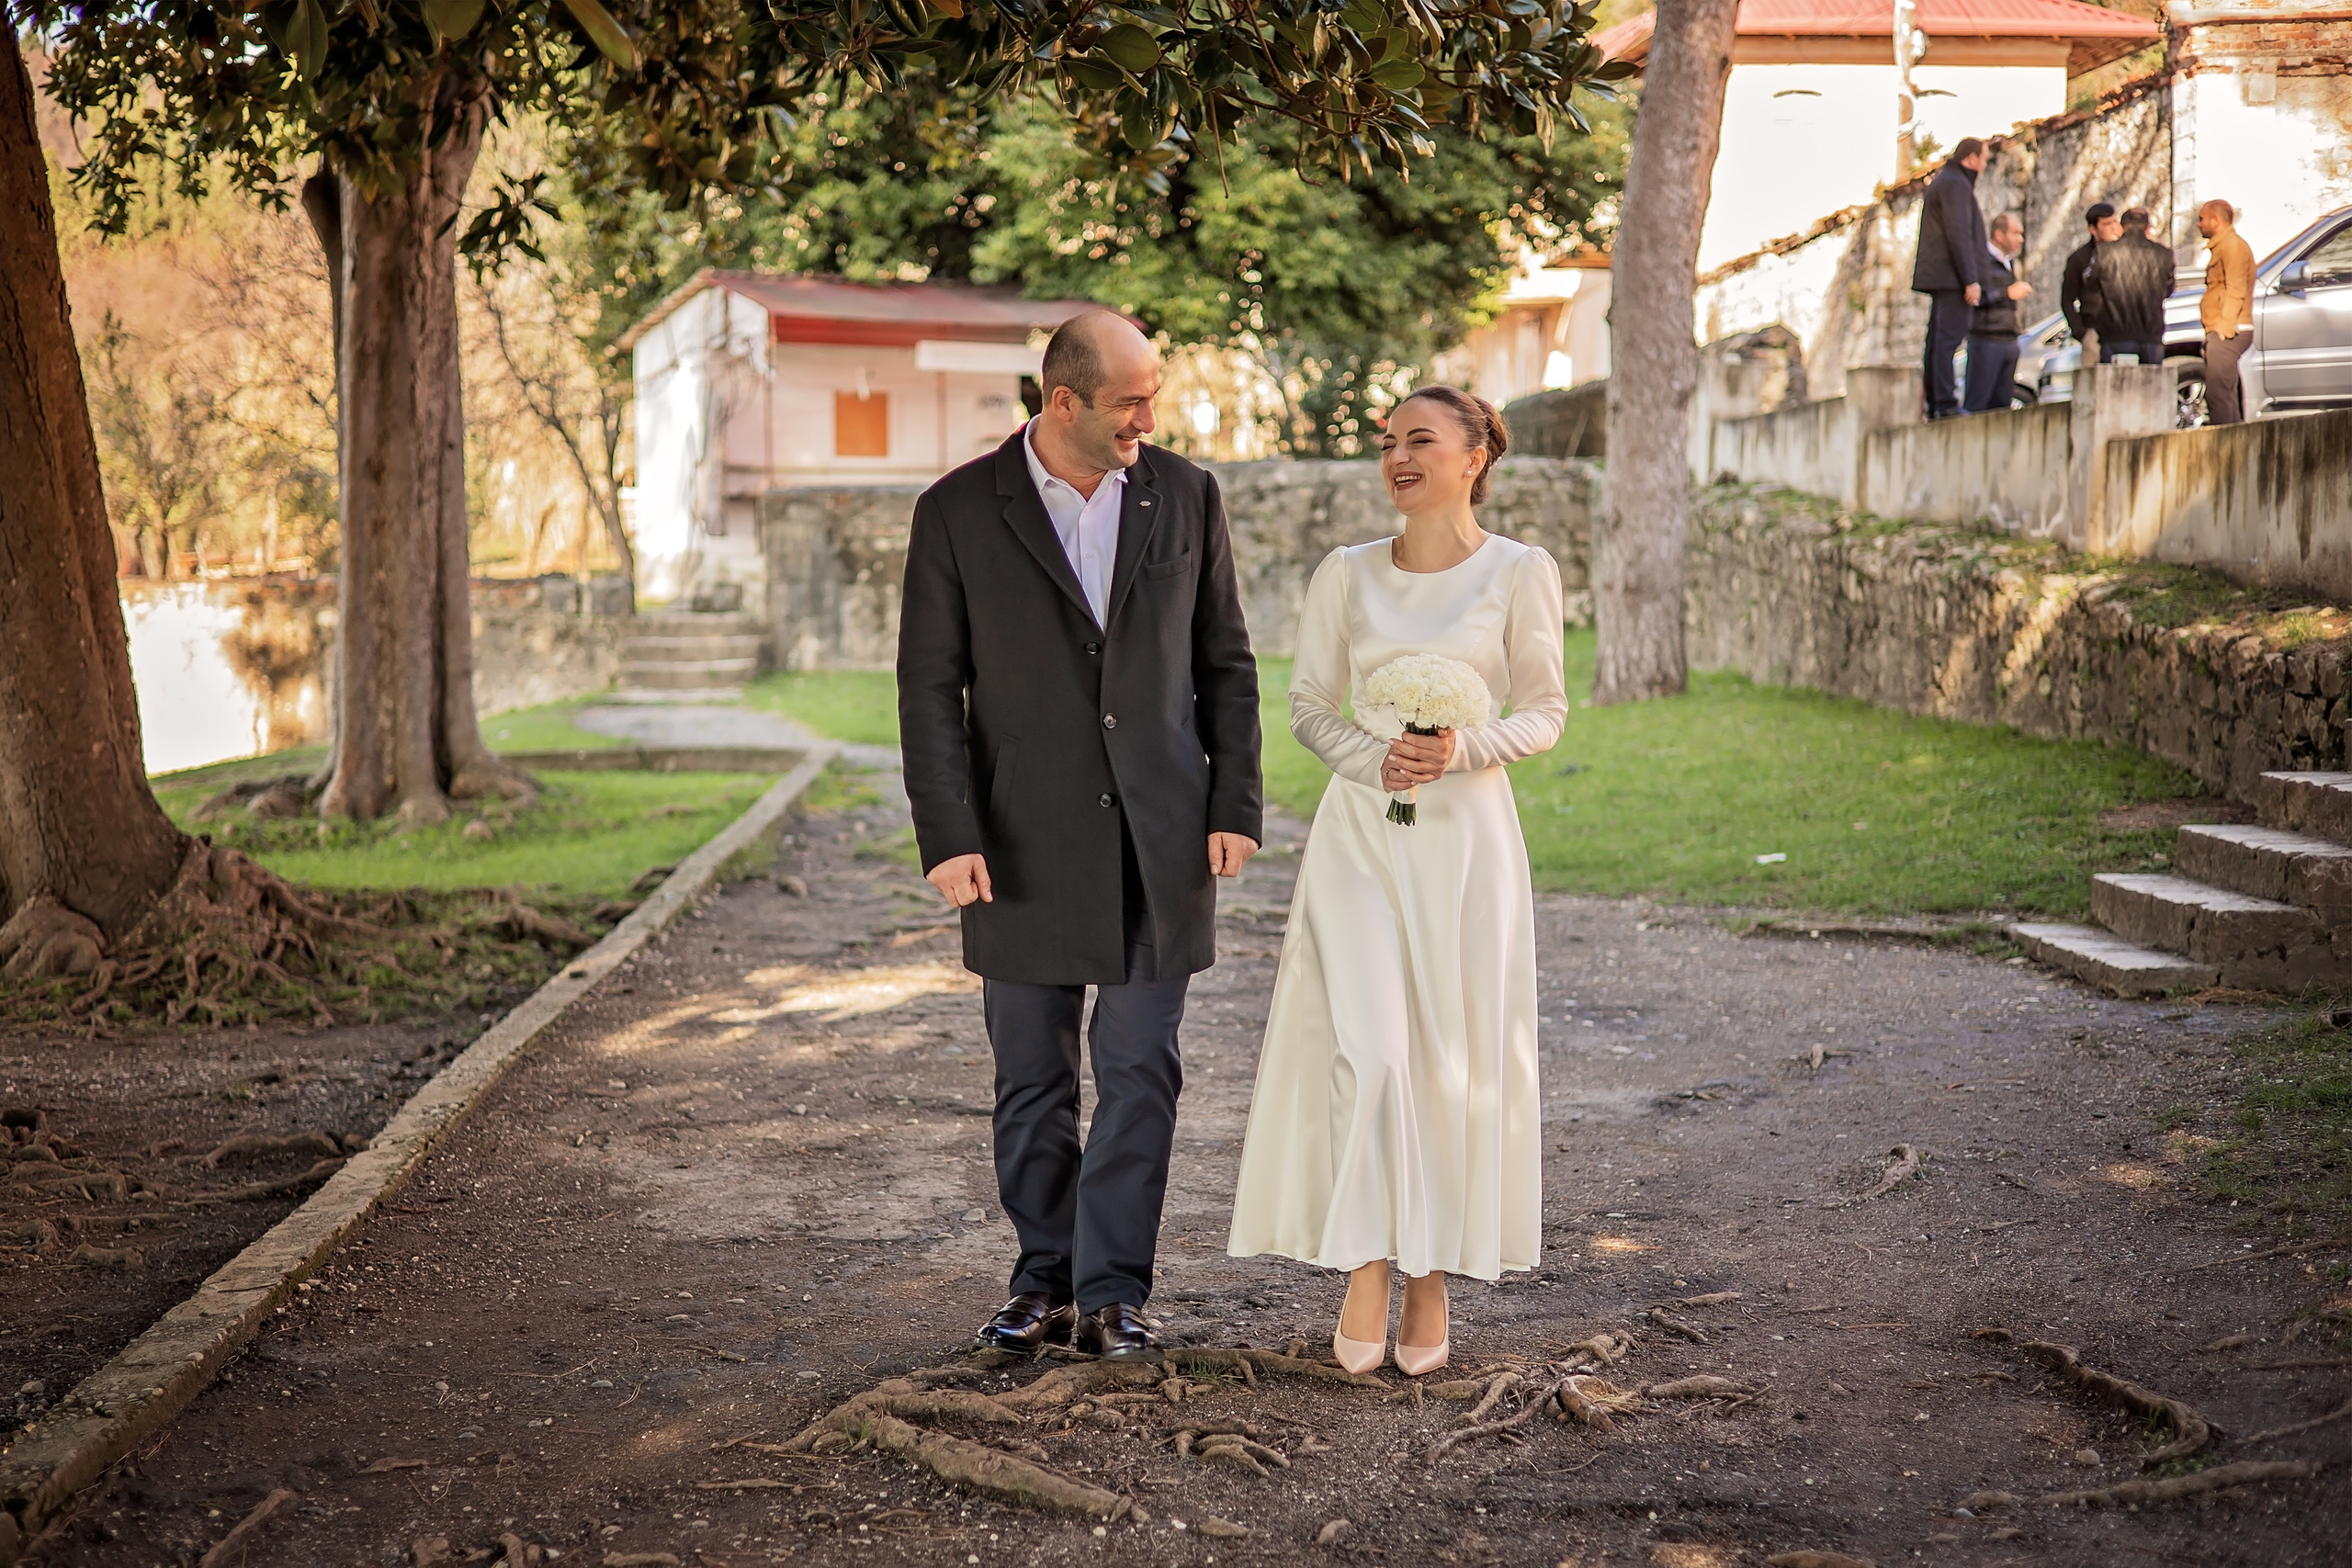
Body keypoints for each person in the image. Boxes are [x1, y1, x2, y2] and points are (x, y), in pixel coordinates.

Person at [897, 310, 1264, 1360]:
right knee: (1032, 1079)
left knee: (1140, 1067)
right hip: (1016, 841)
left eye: (1152, 396)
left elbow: (1225, 665)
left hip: (1164, 841)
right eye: (1128, 402)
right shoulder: (958, 510)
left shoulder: (1187, 494)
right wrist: (947, 831)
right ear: (1063, 403)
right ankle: (1043, 1282)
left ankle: (1112, 1294)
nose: (1150, 417)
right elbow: (928, 687)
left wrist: (1233, 803)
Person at [1227, 388, 1567, 1377]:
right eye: (1387, 443)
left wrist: (1460, 749)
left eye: (1419, 440)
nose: (1397, 457)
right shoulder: (1345, 574)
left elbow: (1543, 711)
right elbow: (1306, 704)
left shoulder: (1519, 572)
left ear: (1474, 456)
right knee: (1369, 1052)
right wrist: (1371, 760)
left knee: (1446, 1055)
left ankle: (1432, 1275)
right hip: (1360, 842)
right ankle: (1368, 1265)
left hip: (1466, 847)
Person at [1911, 138, 1993, 419]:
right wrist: (1970, 280)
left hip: (1945, 276)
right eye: (1983, 159)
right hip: (1952, 278)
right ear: (1971, 158)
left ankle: (1937, 402)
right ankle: (1944, 403)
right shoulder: (1956, 184)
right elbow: (1959, 234)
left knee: (1938, 341)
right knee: (1946, 341)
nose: (1984, 166)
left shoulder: (1948, 181)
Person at [1963, 212, 2034, 412]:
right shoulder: (1980, 261)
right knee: (1977, 406)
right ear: (1999, 234)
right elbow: (1974, 297)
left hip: (2008, 339)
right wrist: (2007, 293)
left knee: (2002, 407)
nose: (2020, 239)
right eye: (2015, 233)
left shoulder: (2008, 261)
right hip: (1986, 339)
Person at [2090, 207, 2174, 366]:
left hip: (2114, 333)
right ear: (2148, 229)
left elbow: (2091, 286)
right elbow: (2169, 290)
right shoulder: (2165, 254)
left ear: (2122, 227)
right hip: (2151, 333)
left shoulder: (2104, 252)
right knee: (2150, 385)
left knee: (2114, 386)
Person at [2198, 199, 2256, 424]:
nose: (2198, 224)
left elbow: (2236, 287)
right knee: (2223, 394)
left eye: (2201, 219)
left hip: (2230, 328)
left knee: (2218, 394)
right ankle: (2233, 446)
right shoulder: (2223, 246)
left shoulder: (2232, 245)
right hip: (2221, 328)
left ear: (2216, 220)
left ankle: (2225, 451)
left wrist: (2223, 325)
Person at [2062, 202, 2121, 355]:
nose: (2114, 227)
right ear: (2093, 229)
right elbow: (2067, 299)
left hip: (2124, 332)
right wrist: (2081, 333)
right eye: (2107, 224)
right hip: (2094, 332)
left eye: (2115, 221)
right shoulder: (2080, 259)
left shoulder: (2127, 254)